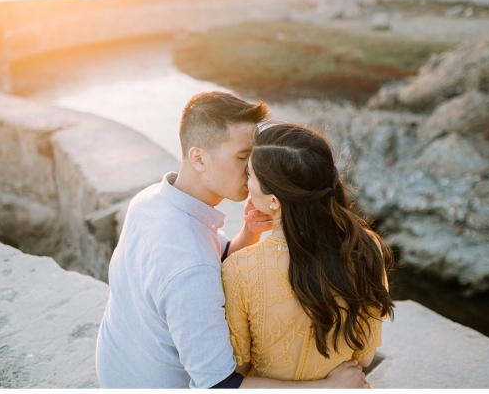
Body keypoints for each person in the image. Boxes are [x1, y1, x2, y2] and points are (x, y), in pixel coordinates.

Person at [95, 91, 370, 388]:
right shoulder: (190, 266)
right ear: (199, 158)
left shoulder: (149, 200)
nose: (255, 169)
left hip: (118, 370)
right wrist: (327, 387)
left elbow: (214, 260)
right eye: (243, 157)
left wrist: (249, 233)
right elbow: (218, 385)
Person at [222, 122, 394, 383]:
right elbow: (364, 358)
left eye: (250, 176)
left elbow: (239, 370)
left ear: (274, 200)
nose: (247, 184)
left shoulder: (240, 269)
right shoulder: (366, 247)